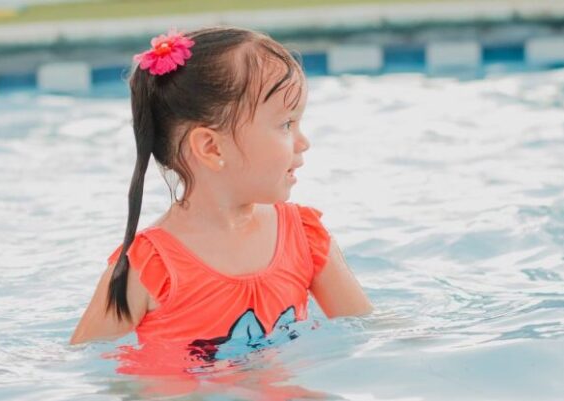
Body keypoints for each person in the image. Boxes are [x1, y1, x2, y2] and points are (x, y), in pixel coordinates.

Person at [69, 27, 373, 358]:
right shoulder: (147, 268)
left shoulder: (304, 237)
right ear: (212, 147)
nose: (303, 142)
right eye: (286, 125)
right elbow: (82, 364)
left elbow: (368, 331)